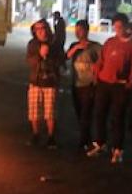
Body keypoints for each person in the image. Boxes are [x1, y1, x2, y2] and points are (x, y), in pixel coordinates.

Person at [89, 13, 132, 164]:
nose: (117, 30)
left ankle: (117, 149)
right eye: (115, 27)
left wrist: (130, 83)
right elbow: (101, 60)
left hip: (120, 85)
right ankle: (100, 143)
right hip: (104, 83)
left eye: (120, 27)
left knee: (117, 118)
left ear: (126, 27)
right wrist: (96, 73)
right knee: (99, 114)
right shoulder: (110, 42)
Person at [25, 19, 63, 148]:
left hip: (50, 82)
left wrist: (49, 57)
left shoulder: (55, 44)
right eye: (38, 29)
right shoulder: (32, 44)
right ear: (34, 32)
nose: (41, 31)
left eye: (43, 28)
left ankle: (51, 136)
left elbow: (60, 62)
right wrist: (40, 55)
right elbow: (29, 61)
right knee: (34, 111)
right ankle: (36, 134)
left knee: (50, 111)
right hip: (36, 81)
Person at [66, 20, 102, 151]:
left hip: (89, 85)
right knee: (79, 113)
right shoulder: (74, 45)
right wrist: (76, 48)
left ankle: (84, 141)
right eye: (76, 30)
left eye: (80, 30)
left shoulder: (95, 47)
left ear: (87, 31)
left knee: (86, 113)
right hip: (76, 84)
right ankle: (86, 139)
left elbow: (101, 62)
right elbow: (66, 57)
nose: (77, 33)